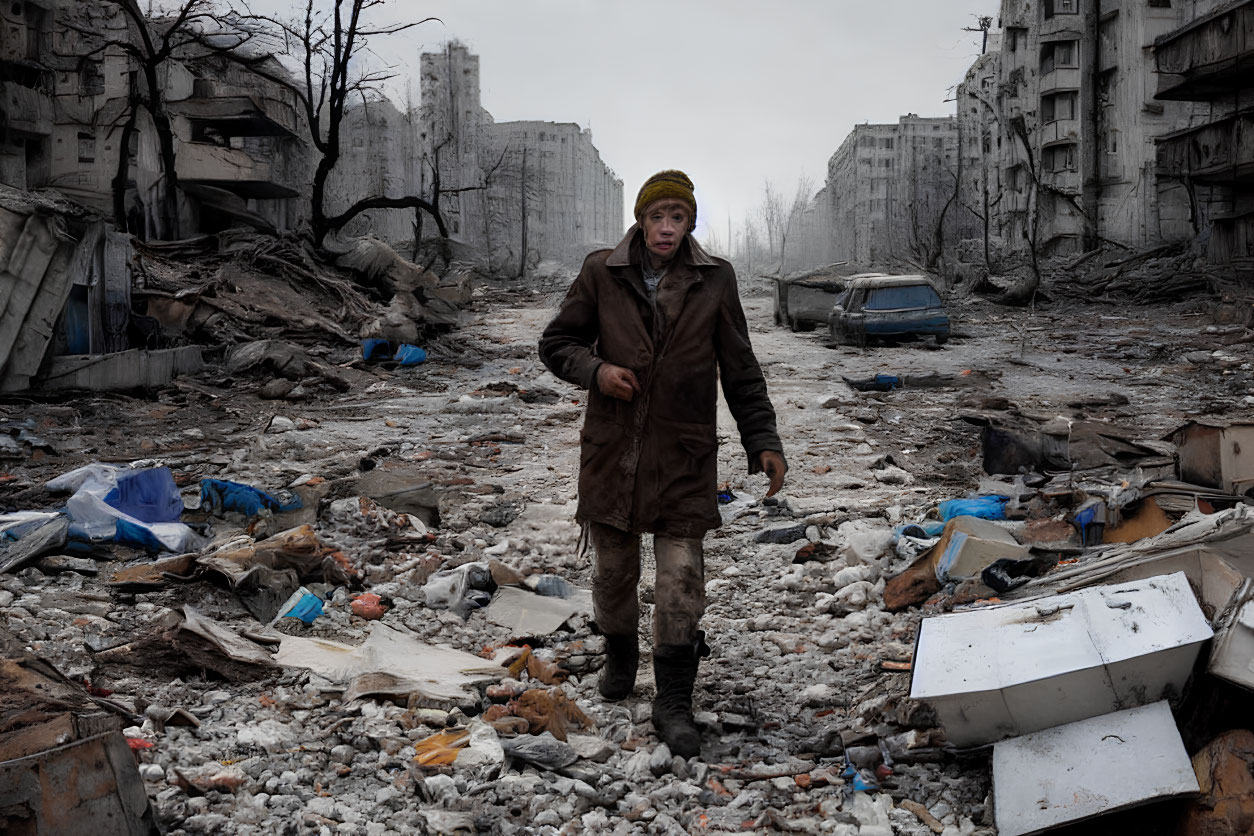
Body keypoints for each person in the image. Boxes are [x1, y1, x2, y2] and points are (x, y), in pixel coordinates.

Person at [538, 170, 786, 757]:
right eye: (657, 216)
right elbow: (556, 344)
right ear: (641, 220)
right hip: (613, 453)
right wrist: (597, 371)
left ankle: (673, 701)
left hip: (683, 455)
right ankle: (620, 658)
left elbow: (741, 370)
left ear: (690, 223)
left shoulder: (715, 279)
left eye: (678, 216)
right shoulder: (603, 271)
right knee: (613, 574)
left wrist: (764, 441)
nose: (667, 227)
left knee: (681, 580)